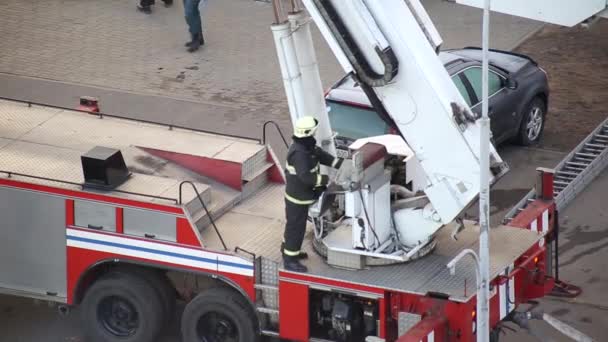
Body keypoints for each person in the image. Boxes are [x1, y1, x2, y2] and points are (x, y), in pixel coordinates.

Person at [282, 116, 343, 272]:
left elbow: (321, 155)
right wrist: (325, 180)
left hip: (303, 194)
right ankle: (290, 260)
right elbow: (306, 177)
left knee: (293, 227)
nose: (315, 135)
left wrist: (341, 165)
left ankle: (289, 249)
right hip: (298, 198)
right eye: (313, 132)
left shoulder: (306, 146)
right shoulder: (299, 153)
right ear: (307, 133)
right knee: (296, 228)